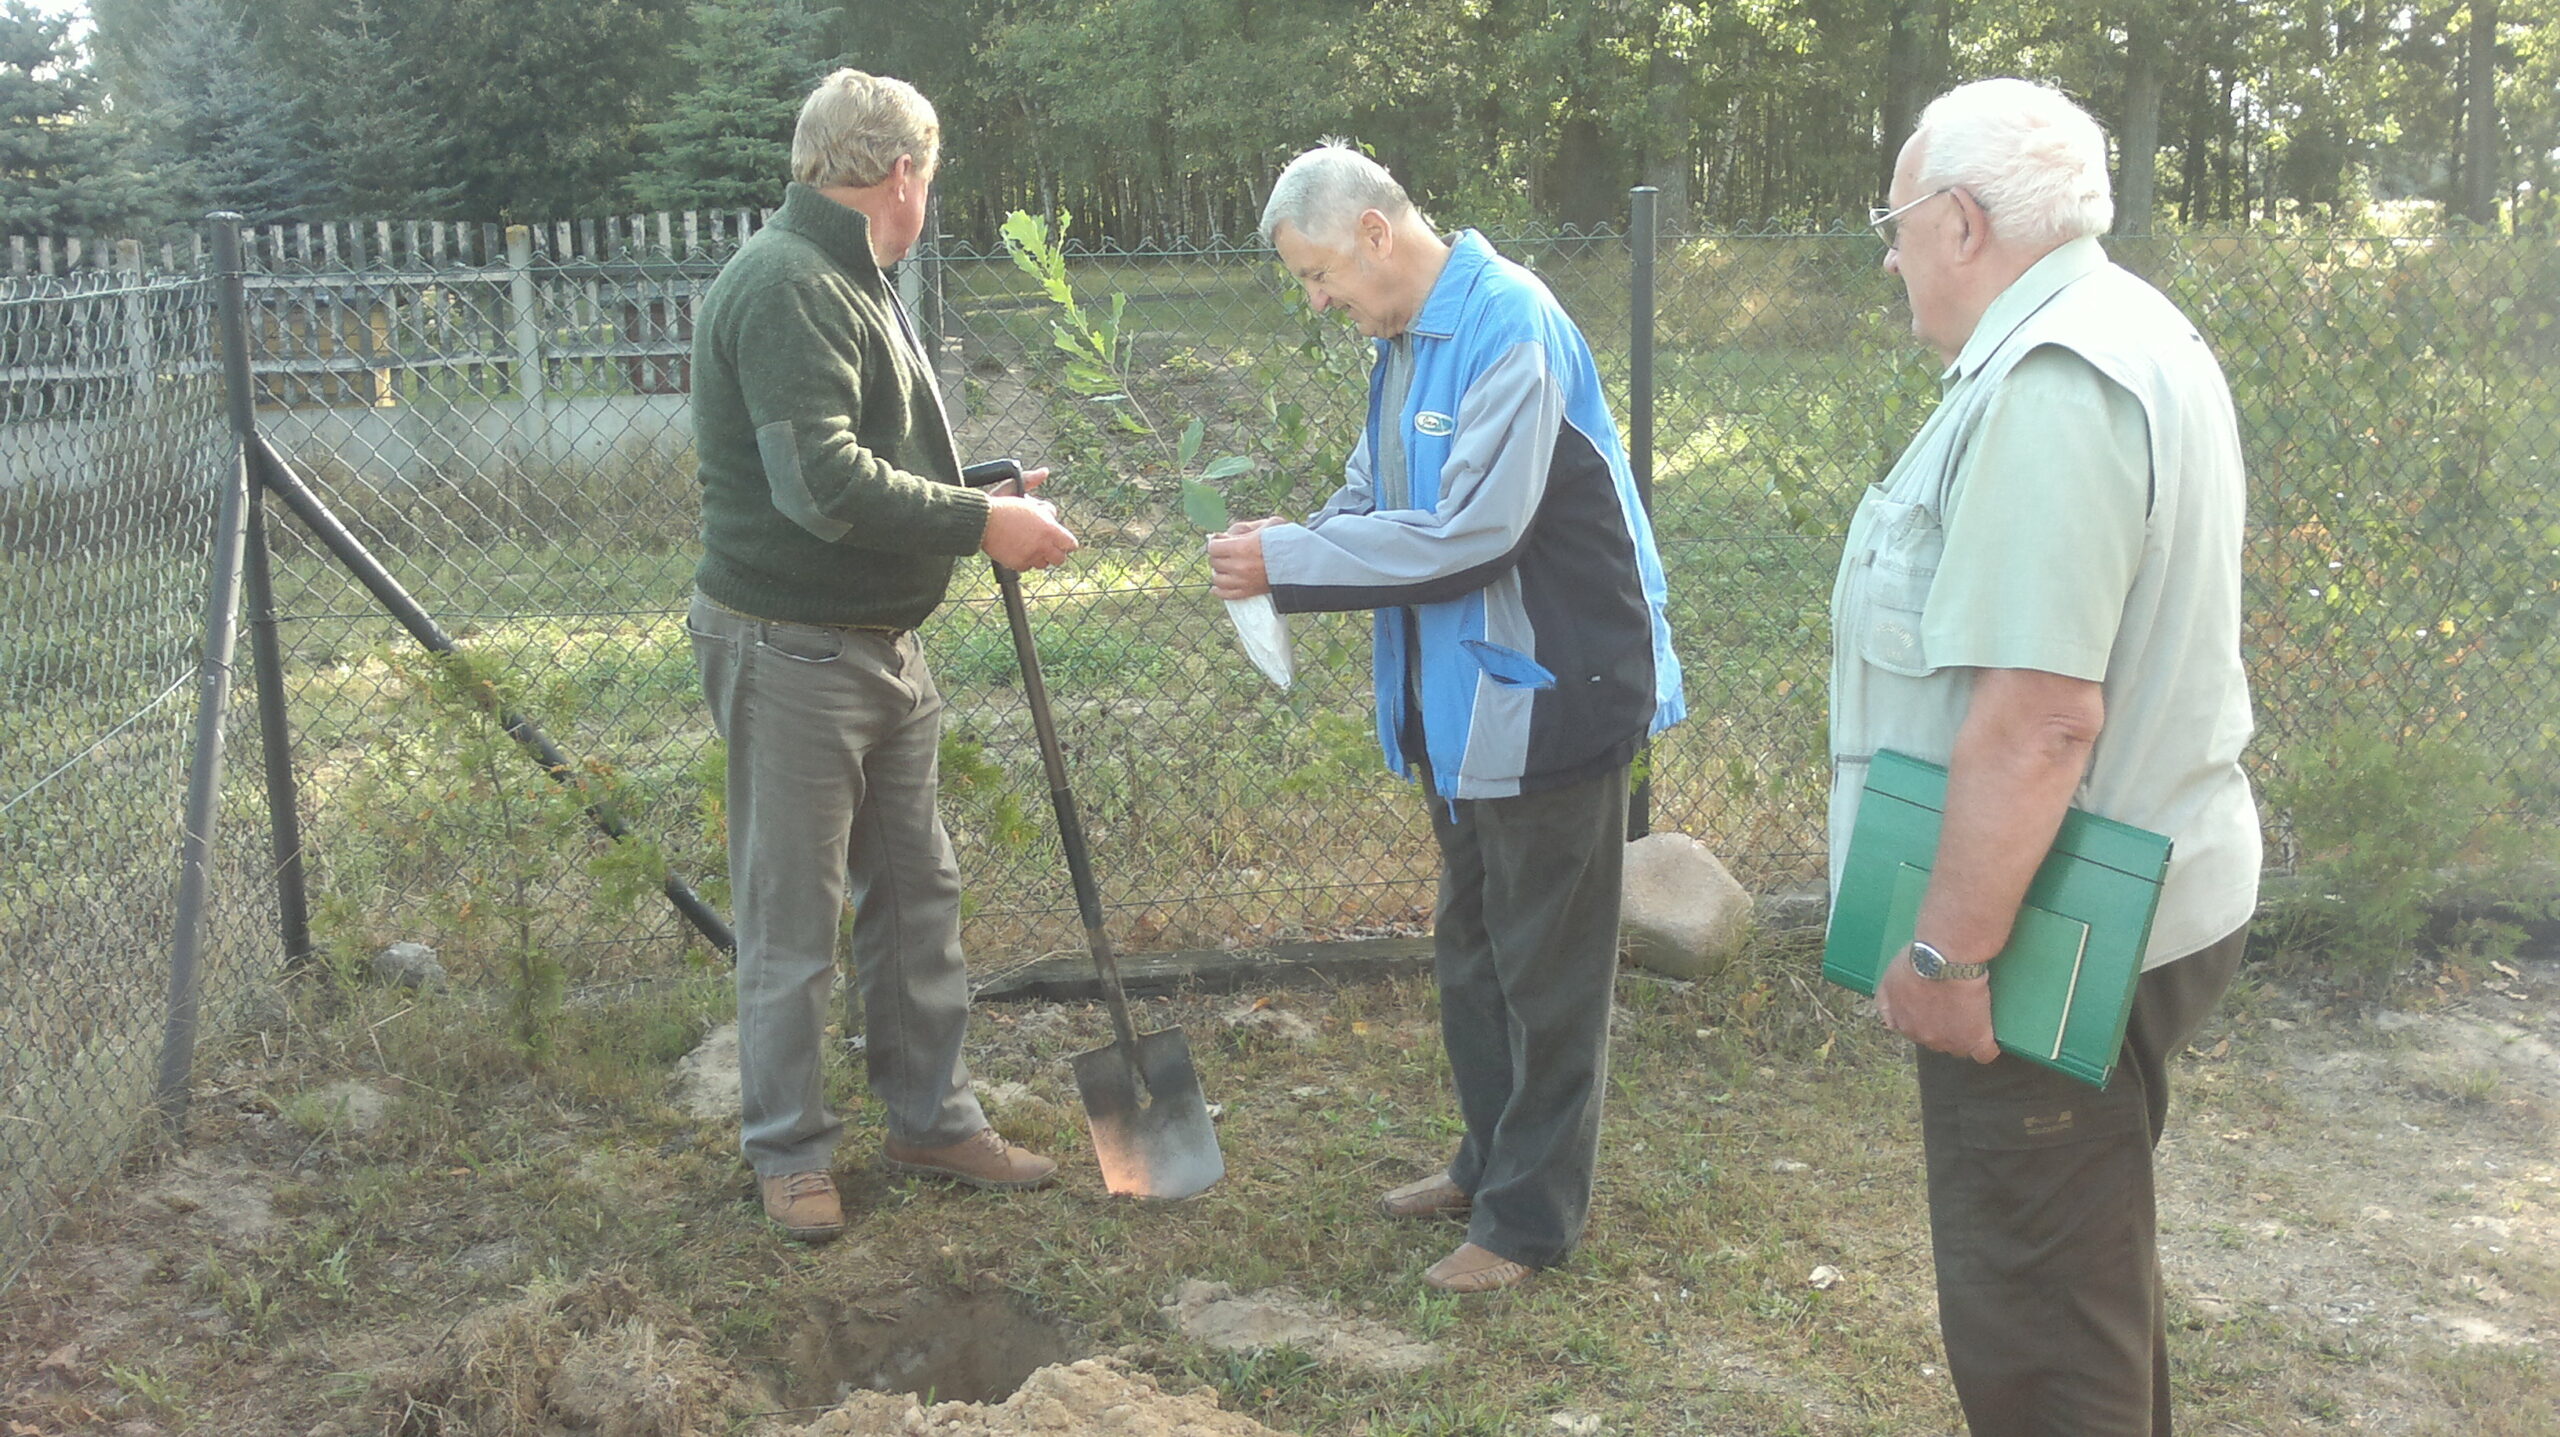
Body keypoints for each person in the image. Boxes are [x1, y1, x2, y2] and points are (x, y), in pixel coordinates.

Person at [1831, 79, 2262, 1433]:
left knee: (2043, 1339)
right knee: (2083, 1284)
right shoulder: (2128, 330)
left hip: (2043, 937)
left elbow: (2039, 719)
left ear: (1961, 222)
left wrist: (1950, 958)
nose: (1891, 258)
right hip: (2112, 895)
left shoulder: (2054, 382)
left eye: (1897, 225)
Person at [1208, 142, 1686, 1294]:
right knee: (1474, 952)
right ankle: (1486, 1163)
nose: (1318, 302)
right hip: (1461, 709)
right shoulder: (1403, 342)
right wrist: (1291, 540)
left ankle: (1528, 1222)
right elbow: (1370, 494)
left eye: (1319, 274)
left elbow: (1477, 535)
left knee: (1547, 972)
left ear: (1374, 233)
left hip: (1553, 698)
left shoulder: (1509, 323)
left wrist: (1292, 562)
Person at [686, 69, 1078, 1242]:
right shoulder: (788, 283)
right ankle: (790, 1152)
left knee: (914, 897)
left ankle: (930, 1120)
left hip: (877, 643)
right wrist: (980, 523)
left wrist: (977, 491)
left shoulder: (848, 273)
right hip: (791, 647)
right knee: (792, 917)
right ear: (902, 172)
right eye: (930, 180)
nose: (927, 199)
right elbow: (818, 486)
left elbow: (864, 456)